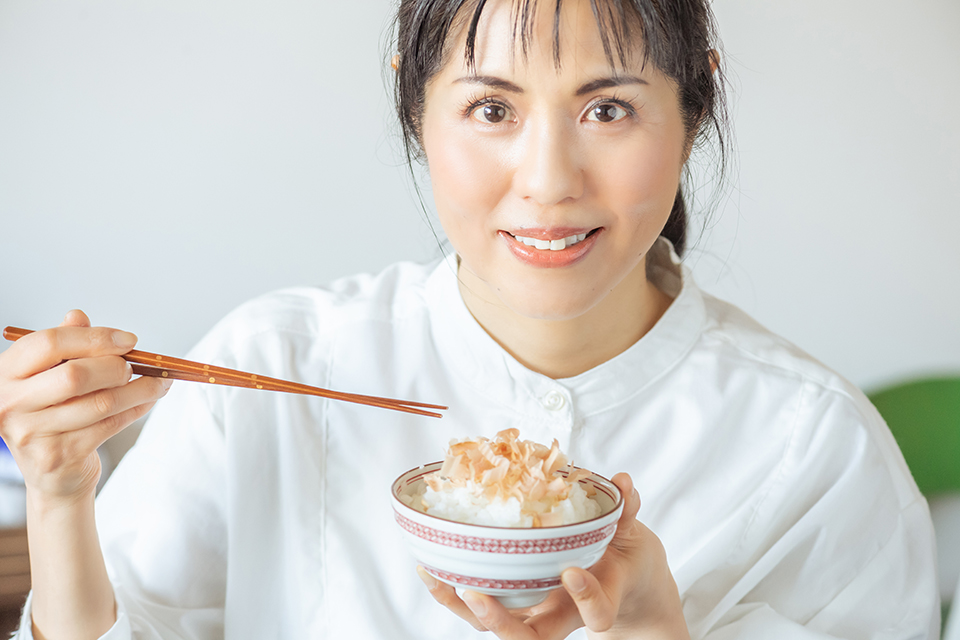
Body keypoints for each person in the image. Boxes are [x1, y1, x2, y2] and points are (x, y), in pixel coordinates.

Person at [0, 0, 940, 638]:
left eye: (608, 109)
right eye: (492, 107)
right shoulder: (275, 362)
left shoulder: (818, 448)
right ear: (418, 109)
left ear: (694, 108)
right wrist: (57, 494)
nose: (547, 182)